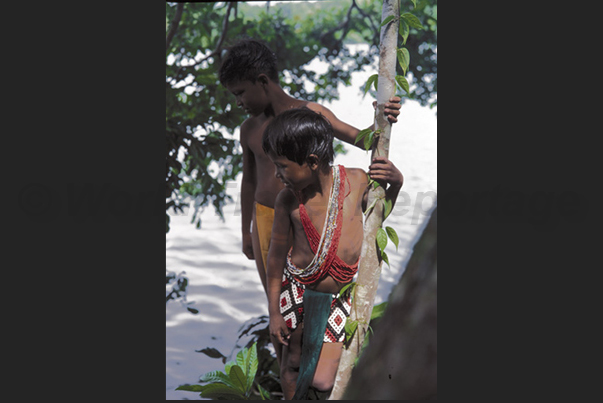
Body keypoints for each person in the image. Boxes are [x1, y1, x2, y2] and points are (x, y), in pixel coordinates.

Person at [218, 38, 401, 295]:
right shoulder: (248, 129)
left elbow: (364, 140)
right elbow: (249, 181)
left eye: (240, 93)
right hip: (265, 218)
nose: (238, 102)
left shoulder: (312, 113)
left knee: (313, 291)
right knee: (277, 295)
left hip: (305, 214)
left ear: (262, 81)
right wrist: (247, 231)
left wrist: (383, 115)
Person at [262, 108, 404, 399]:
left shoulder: (357, 182)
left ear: (312, 162)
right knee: (292, 361)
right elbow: (275, 256)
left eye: (282, 167)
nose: (278, 175)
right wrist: (274, 311)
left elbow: (379, 218)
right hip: (298, 290)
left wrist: (397, 183)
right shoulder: (287, 199)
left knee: (324, 381)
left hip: (340, 296)